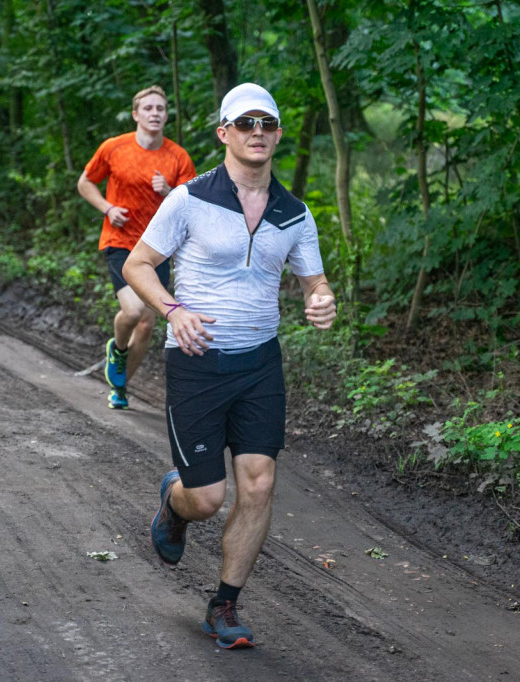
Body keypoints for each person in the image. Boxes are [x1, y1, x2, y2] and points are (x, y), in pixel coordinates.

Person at [122, 83, 337, 649]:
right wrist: (173, 309)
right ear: (224, 133)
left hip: (260, 363)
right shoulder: (189, 199)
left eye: (267, 123)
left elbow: (313, 281)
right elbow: (138, 265)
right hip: (196, 364)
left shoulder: (294, 213)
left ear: (278, 135)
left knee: (260, 484)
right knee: (208, 498)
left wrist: (320, 300)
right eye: (245, 124)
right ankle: (175, 502)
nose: (257, 132)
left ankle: (225, 605)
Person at [78, 85, 197, 409]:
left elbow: (192, 206)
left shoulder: (178, 157)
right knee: (133, 311)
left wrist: (170, 189)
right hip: (120, 242)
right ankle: (117, 349)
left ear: (166, 114)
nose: (155, 113)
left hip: (158, 248)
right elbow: (84, 182)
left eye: (160, 108)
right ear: (136, 114)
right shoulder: (114, 148)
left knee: (146, 323)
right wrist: (107, 208)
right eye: (148, 108)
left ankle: (121, 388)